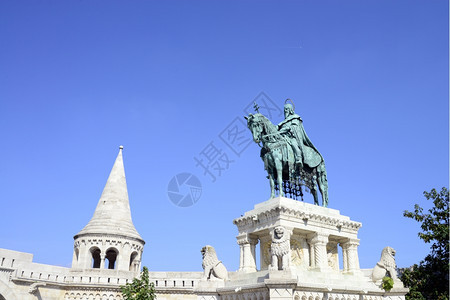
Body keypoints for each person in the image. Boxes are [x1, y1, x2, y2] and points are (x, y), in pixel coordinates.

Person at [278, 101, 323, 169]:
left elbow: (294, 127)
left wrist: (287, 129)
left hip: (292, 137)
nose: (285, 111)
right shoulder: (282, 122)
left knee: (293, 144)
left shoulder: (295, 118)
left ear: (290, 110)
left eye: (286, 109)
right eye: (284, 110)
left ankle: (298, 159)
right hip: (284, 137)